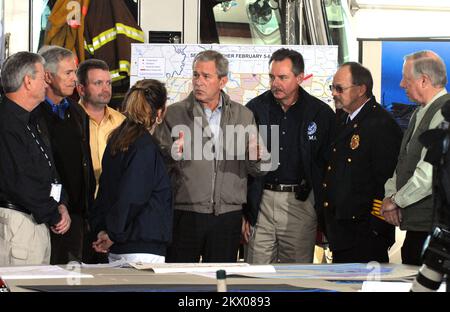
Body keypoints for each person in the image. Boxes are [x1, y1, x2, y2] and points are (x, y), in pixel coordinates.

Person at [154, 50, 265, 263]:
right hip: (184, 214)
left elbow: (257, 169)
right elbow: (158, 165)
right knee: (181, 282)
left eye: (206, 76)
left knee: (220, 282)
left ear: (222, 81)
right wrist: (172, 153)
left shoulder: (244, 115)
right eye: (196, 75)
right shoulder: (174, 114)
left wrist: (256, 158)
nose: (199, 82)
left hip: (227, 217)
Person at [243, 48, 335, 264]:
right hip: (261, 202)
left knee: (295, 275)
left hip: (301, 203)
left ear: (300, 78)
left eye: (282, 77)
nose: (276, 83)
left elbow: (328, 165)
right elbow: (242, 163)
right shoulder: (254, 110)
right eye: (272, 77)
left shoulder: (320, 113)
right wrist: (244, 211)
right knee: (255, 275)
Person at [322, 62, 402, 263]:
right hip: (342, 231)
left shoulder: (381, 124)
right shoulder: (343, 118)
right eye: (333, 88)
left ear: (361, 89)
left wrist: (376, 228)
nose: (334, 93)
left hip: (365, 233)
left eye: (340, 88)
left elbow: (385, 181)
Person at [89, 79, 172, 263]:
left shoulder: (118, 139)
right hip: (140, 248)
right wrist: (113, 233)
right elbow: (133, 196)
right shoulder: (144, 146)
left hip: (120, 244)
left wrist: (104, 230)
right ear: (160, 112)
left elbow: (106, 190)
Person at [0, 51, 71, 265]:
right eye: (43, 77)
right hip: (18, 224)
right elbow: (19, 180)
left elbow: (48, 169)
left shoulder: (31, 119)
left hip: (37, 222)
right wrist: (53, 212)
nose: (47, 84)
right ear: (28, 81)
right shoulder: (6, 123)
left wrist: (61, 204)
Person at [382, 50, 450, 266]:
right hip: (418, 227)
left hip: (432, 230)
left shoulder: (445, 113)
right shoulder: (419, 113)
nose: (401, 84)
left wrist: (396, 201)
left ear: (424, 80)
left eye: (406, 79)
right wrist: (390, 195)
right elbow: (403, 162)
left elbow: (429, 172)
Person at [36, 46, 96, 264]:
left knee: (71, 281)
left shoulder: (78, 112)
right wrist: (55, 207)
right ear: (49, 76)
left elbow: (85, 161)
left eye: (75, 72)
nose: (74, 79)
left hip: (77, 216)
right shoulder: (34, 113)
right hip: (46, 215)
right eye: (68, 73)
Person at [76, 59, 125, 193]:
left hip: (112, 203)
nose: (106, 89)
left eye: (108, 83)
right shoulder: (69, 120)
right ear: (81, 89)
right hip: (78, 204)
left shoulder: (121, 122)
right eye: (98, 83)